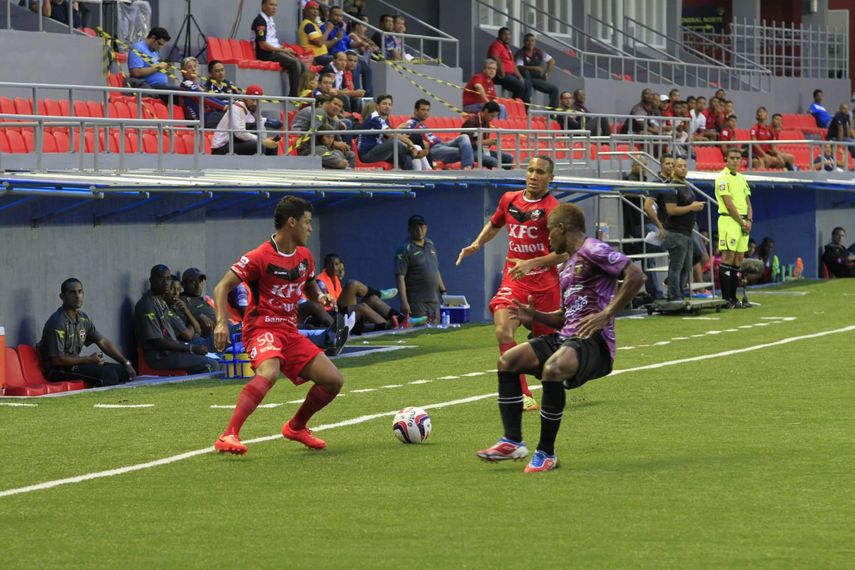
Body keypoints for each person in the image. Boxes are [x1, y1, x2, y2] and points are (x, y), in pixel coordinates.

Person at [476, 203, 645, 472]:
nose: (547, 239)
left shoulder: (593, 249)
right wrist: (535, 316)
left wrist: (607, 313)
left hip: (594, 341)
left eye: (548, 233)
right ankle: (512, 441)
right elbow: (564, 317)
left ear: (561, 228)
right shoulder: (566, 265)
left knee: (553, 368)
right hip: (567, 336)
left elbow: (636, 274)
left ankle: (546, 453)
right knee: (508, 360)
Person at [212, 196, 345, 454]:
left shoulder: (305, 256)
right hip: (261, 327)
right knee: (269, 372)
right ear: (291, 223)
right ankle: (228, 435)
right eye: (307, 222)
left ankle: (296, 427)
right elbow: (221, 287)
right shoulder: (259, 256)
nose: (310, 228)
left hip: (289, 332)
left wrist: (320, 296)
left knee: (333, 380)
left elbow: (308, 284)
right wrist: (221, 323)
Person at [457, 156, 563, 412]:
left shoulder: (554, 209)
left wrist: (531, 263)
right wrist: (477, 243)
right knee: (503, 330)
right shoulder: (509, 199)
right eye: (530, 170)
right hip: (514, 282)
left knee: (549, 352)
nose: (533, 175)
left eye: (540, 172)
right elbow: (495, 224)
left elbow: (564, 253)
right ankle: (523, 394)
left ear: (550, 178)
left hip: (545, 286)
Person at [39, 278, 136, 387]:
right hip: (57, 371)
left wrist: (126, 363)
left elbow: (103, 342)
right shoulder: (58, 321)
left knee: (122, 371)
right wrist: (88, 359)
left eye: (80, 292)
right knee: (109, 374)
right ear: (62, 296)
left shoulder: (83, 318)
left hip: (75, 365)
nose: (77, 296)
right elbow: (57, 360)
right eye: (72, 292)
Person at [134, 265, 220, 373]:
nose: (165, 282)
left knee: (219, 360)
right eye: (161, 278)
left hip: (174, 350)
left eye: (168, 278)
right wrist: (190, 348)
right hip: (160, 356)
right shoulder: (147, 304)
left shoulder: (162, 302)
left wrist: (189, 347)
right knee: (211, 364)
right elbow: (158, 342)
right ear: (151, 280)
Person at [317, 253, 404, 332]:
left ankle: (401, 319)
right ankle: (388, 323)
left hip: (340, 312)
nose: (333, 267)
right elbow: (328, 305)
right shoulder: (321, 281)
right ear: (325, 266)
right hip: (332, 315)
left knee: (372, 299)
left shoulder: (335, 279)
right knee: (352, 285)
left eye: (336, 264)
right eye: (330, 264)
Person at [660, 158, 705, 300]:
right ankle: (673, 296)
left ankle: (679, 293)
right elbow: (671, 210)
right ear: (673, 169)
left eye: (685, 166)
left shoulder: (685, 185)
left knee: (686, 267)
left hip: (687, 231)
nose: (683, 168)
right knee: (676, 267)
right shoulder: (671, 187)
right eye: (679, 166)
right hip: (676, 232)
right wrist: (692, 207)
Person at [714, 148, 754, 308]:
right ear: (726, 159)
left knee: (738, 260)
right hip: (729, 221)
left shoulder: (742, 178)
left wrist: (749, 220)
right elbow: (729, 204)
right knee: (728, 258)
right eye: (732, 158)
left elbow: (748, 202)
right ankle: (726, 299)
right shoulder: (722, 178)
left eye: (738, 158)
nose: (735, 161)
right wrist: (742, 222)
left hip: (743, 222)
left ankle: (734, 298)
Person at [395, 215, 447, 322]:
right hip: (417, 302)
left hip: (434, 300)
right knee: (420, 329)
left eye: (422, 226)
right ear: (409, 229)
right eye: (415, 227)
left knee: (436, 329)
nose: (419, 230)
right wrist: (404, 302)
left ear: (426, 228)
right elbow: (400, 278)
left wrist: (444, 292)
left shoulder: (430, 244)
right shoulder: (404, 249)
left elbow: (435, 269)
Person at [252, 0, 306, 98]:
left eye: (276, 5)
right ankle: (293, 96)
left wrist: (285, 49)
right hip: (264, 53)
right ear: (263, 6)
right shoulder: (260, 21)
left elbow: (272, 41)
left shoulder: (270, 20)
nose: (274, 8)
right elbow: (263, 45)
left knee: (302, 64)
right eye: (271, 5)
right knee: (294, 64)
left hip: (274, 51)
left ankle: (301, 92)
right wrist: (283, 50)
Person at [402, 99, 474, 169]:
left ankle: (468, 165)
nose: (426, 112)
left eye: (427, 110)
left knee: (464, 137)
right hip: (433, 150)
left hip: (442, 144)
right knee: (466, 152)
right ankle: (467, 168)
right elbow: (405, 137)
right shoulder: (411, 123)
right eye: (423, 110)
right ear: (416, 111)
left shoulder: (422, 124)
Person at [211, 85, 279, 156]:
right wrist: (263, 141)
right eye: (253, 99)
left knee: (273, 146)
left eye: (258, 100)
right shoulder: (237, 107)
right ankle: (258, 166)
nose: (255, 103)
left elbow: (261, 128)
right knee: (259, 145)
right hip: (221, 148)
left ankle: (268, 167)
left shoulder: (255, 109)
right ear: (246, 98)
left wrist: (267, 141)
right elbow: (240, 133)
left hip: (237, 142)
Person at [357, 94, 419, 169]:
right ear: (377, 106)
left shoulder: (385, 119)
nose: (387, 106)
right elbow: (391, 134)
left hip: (378, 151)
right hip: (367, 154)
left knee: (405, 157)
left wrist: (409, 145)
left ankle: (409, 179)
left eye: (389, 104)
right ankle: (413, 152)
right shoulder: (374, 117)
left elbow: (392, 133)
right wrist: (410, 144)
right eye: (384, 104)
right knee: (394, 142)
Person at [460, 101, 514, 169]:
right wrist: (484, 142)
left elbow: (485, 142)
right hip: (471, 151)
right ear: (486, 111)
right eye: (492, 116)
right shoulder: (471, 122)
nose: (492, 119)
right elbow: (465, 144)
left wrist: (491, 142)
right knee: (495, 162)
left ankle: (506, 177)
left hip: (483, 151)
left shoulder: (486, 123)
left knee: (509, 158)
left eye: (494, 116)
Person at [514, 33, 559, 111]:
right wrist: (533, 68)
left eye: (532, 41)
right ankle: (524, 113)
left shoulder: (539, 52)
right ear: (524, 42)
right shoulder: (520, 53)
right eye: (528, 41)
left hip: (536, 79)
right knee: (528, 96)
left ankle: (552, 114)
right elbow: (518, 67)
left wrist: (547, 73)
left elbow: (552, 61)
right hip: (525, 79)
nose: (530, 43)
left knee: (554, 89)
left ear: (535, 42)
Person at [179, 57, 226, 127]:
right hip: (201, 120)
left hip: (210, 116)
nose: (193, 69)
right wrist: (223, 106)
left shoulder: (199, 86)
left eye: (195, 66)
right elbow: (204, 97)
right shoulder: (187, 84)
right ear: (183, 71)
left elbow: (213, 97)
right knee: (235, 118)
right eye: (189, 67)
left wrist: (230, 103)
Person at [488, 27, 527, 102]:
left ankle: (521, 108)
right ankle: (514, 108)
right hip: (500, 75)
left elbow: (512, 64)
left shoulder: (507, 48)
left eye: (509, 34)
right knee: (520, 86)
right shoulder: (496, 45)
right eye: (504, 34)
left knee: (525, 84)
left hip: (509, 75)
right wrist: (502, 72)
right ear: (499, 35)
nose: (507, 36)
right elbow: (494, 57)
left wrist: (520, 77)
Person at [299, 0, 339, 65]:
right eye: (312, 9)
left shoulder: (314, 25)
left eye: (317, 9)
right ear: (305, 11)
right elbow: (320, 43)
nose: (315, 11)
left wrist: (336, 38)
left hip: (322, 56)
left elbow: (324, 44)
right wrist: (328, 29)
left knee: (343, 58)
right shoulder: (308, 25)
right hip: (315, 57)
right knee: (341, 60)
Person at [180, 268, 216, 339]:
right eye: (193, 282)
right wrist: (199, 315)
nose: (198, 285)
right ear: (183, 284)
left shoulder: (201, 299)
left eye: (200, 281)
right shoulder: (183, 300)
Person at [204, 60, 241, 128]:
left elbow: (239, 98)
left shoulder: (229, 84)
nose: (221, 73)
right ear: (210, 74)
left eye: (222, 70)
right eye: (217, 71)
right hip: (217, 115)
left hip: (233, 113)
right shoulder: (207, 88)